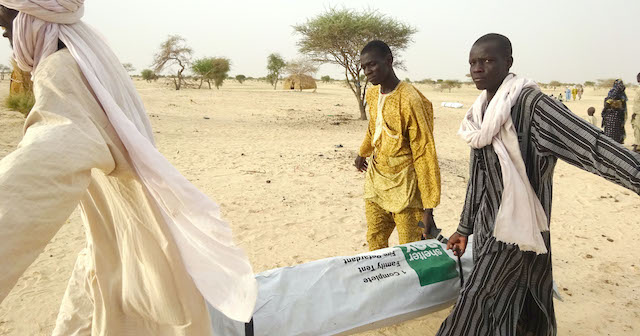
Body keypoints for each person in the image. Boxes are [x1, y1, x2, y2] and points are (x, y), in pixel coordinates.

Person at [0, 2, 257, 335]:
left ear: (31, 19)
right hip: (119, 236)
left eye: (6, 18)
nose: (4, 29)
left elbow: (45, 163)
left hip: (128, 243)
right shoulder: (92, 58)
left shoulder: (60, 70)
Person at [437, 33, 640, 336]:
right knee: (528, 308)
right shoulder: (482, 111)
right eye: (473, 63)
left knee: (476, 308)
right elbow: (478, 176)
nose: (478, 68)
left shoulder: (535, 107)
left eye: (488, 60)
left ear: (509, 62)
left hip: (516, 233)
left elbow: (593, 147)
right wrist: (464, 228)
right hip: (491, 230)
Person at [354, 40, 441, 251]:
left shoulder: (410, 99)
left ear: (389, 61)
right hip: (376, 180)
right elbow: (374, 127)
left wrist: (428, 208)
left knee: (410, 249)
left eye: (372, 65)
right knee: (375, 239)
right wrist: (362, 153)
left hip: (406, 187)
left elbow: (424, 150)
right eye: (364, 67)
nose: (367, 71)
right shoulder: (372, 94)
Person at [601, 79, 627, 144]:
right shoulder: (622, 95)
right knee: (618, 131)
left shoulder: (612, 92)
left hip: (610, 115)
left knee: (609, 133)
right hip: (618, 116)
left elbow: (606, 104)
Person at [633, 73, 640, 152]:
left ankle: (637, 146)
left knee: (637, 128)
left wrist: (634, 113)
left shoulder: (638, 89)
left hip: (638, 112)